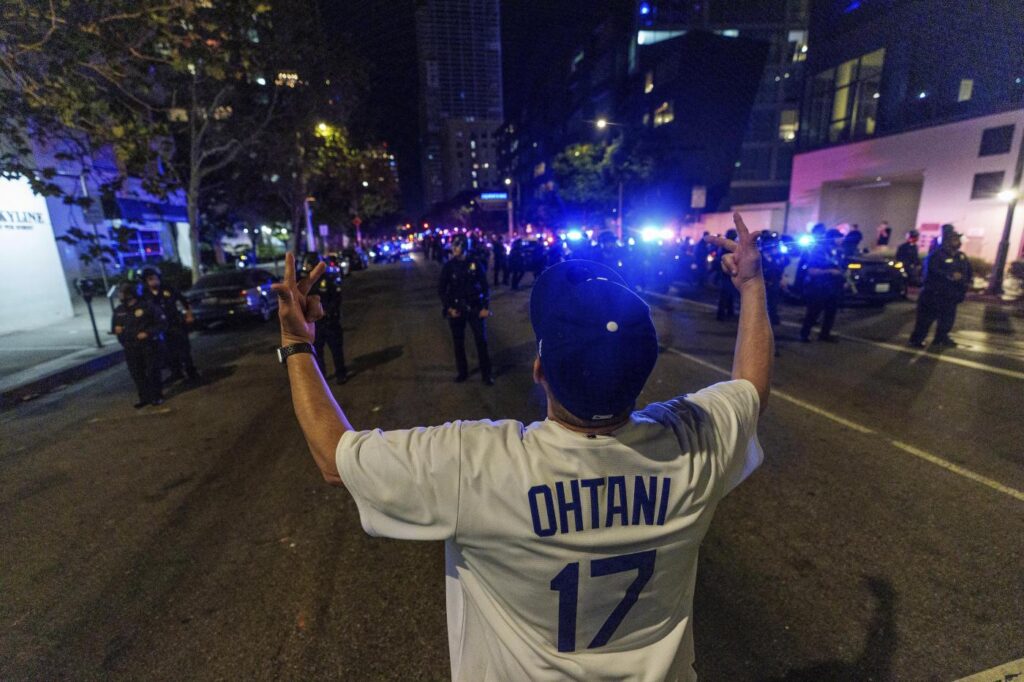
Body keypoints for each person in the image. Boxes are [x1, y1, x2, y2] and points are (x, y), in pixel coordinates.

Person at [273, 211, 772, 681]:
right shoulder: (694, 442)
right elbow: (751, 390)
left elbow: (335, 456)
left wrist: (297, 342)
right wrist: (752, 285)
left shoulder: (477, 463)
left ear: (540, 372)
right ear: (644, 374)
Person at [438, 233, 493, 385]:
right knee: (458, 343)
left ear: (464, 246)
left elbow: (485, 287)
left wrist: (485, 308)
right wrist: (448, 308)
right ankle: (462, 372)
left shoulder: (475, 263)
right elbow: (442, 289)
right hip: (457, 309)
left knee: (481, 342)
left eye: (458, 245)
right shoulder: (449, 267)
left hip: (475, 308)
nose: (454, 248)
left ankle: (487, 374)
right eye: (454, 245)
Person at [908, 229, 972, 348]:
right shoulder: (936, 255)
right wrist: (949, 275)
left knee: (947, 320)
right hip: (934, 294)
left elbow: (968, 272)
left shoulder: (961, 257)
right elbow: (931, 272)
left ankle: (941, 338)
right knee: (925, 320)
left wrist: (965, 283)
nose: (957, 242)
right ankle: (917, 339)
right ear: (947, 241)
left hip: (951, 295)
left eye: (958, 239)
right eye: (954, 239)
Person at [111, 281, 167, 408]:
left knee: (152, 371)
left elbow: (161, 323)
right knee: (137, 373)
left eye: (121, 293)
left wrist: (148, 333)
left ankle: (157, 396)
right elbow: (115, 327)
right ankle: (145, 397)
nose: (119, 295)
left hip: (148, 345)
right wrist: (117, 330)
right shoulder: (119, 310)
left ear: (130, 294)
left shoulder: (147, 306)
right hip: (130, 347)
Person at [141, 267, 199, 382]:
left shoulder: (168, 289)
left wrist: (188, 314)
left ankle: (191, 371)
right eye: (150, 279)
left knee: (183, 349)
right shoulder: (145, 294)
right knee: (168, 351)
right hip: (160, 327)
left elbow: (183, 301)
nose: (153, 281)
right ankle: (176, 372)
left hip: (174, 323)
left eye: (154, 278)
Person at [300, 252, 349, 384]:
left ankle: (341, 374)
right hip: (315, 325)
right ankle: (322, 377)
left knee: (336, 350)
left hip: (330, 322)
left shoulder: (328, 279)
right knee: (317, 353)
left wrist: (327, 311)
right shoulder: (304, 284)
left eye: (310, 265)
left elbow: (336, 298)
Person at [799, 228, 845, 342]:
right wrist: (829, 272)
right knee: (813, 312)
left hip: (833, 287)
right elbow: (811, 270)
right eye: (838, 237)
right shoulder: (819, 251)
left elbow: (840, 268)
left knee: (831, 312)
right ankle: (804, 334)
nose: (841, 240)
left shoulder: (837, 252)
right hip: (818, 287)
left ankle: (825, 334)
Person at [714, 228, 739, 320]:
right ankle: (721, 314)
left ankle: (729, 312)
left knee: (730, 294)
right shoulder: (727, 246)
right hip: (728, 273)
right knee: (725, 294)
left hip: (729, 273)